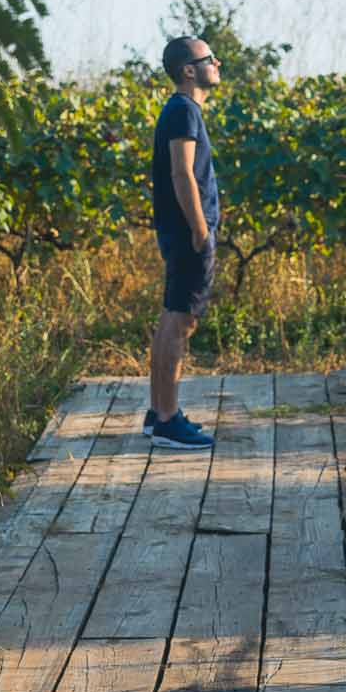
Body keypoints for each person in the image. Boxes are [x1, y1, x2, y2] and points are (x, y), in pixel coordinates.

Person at [147, 36, 221, 450]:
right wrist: (200, 229)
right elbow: (183, 173)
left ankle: (158, 410)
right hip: (188, 232)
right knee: (181, 323)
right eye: (210, 59)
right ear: (189, 70)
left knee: (171, 317)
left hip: (179, 231)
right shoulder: (183, 111)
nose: (218, 64)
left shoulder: (181, 110)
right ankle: (167, 419)